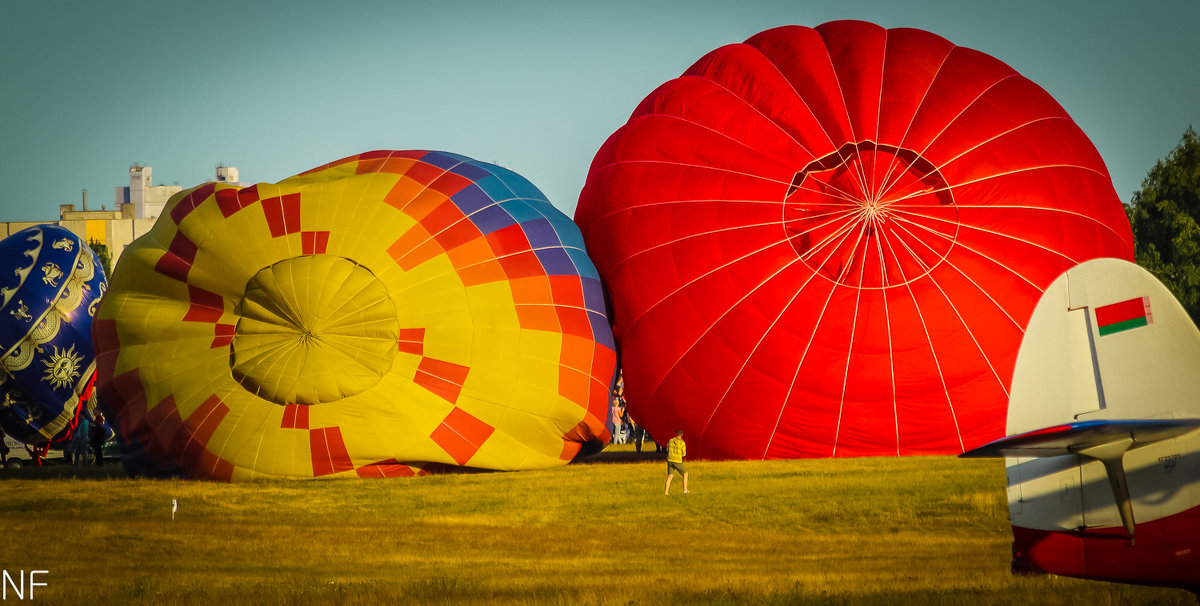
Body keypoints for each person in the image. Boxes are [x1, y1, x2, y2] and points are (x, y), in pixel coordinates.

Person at [664, 429, 689, 495]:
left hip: (670, 460)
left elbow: (667, 449)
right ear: (682, 435)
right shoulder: (682, 443)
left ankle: (666, 492)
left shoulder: (671, 441)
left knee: (670, 476)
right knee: (685, 474)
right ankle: (685, 490)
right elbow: (684, 454)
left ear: (676, 434)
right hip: (677, 461)